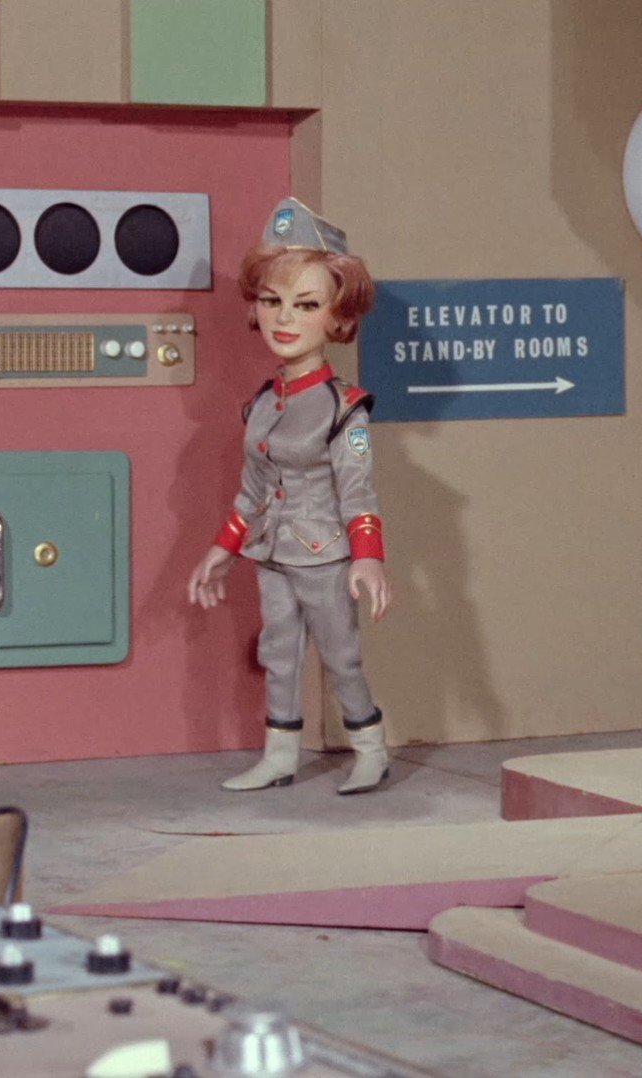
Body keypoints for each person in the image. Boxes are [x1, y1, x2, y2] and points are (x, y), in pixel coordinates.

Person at [187, 198, 394, 795]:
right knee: (279, 654)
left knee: (340, 656)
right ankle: (280, 756)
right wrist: (224, 548)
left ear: (338, 318)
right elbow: (253, 488)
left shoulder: (344, 409)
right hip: (273, 553)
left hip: (324, 555)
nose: (285, 319)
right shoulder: (263, 403)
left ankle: (371, 749)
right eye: (272, 301)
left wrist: (368, 557)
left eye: (306, 305)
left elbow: (358, 491)